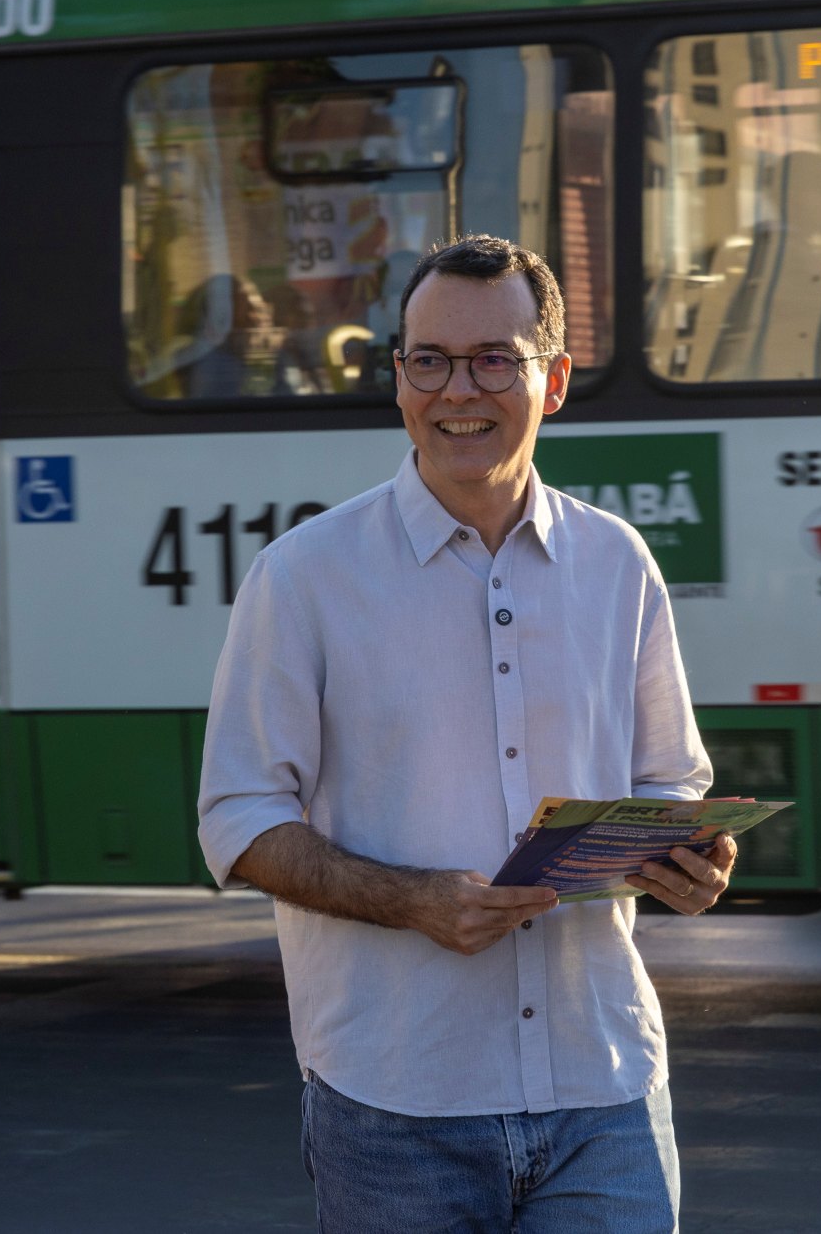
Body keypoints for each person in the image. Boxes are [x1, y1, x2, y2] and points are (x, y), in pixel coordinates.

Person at [198, 233, 731, 1233]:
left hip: (600, 1084)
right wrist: (409, 901)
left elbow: (669, 782)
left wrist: (689, 856)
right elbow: (236, 815)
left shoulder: (615, 563)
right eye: (428, 360)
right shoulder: (303, 576)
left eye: (494, 358)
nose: (457, 390)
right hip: (396, 1101)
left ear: (554, 379)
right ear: (398, 378)